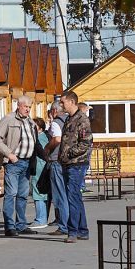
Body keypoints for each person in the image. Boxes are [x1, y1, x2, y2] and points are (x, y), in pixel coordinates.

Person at [0, 95, 39, 237]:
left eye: (30, 107)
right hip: (13, 163)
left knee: (23, 195)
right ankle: (9, 226)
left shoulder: (30, 121)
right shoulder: (9, 119)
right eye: (25, 107)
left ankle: (21, 225)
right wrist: (9, 154)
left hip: (27, 162)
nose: (28, 110)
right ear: (19, 106)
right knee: (11, 194)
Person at [59, 90, 93, 244]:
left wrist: (69, 153)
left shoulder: (82, 119)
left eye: (63, 102)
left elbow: (85, 143)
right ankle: (83, 230)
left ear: (71, 102)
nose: (61, 105)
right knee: (75, 197)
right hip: (68, 163)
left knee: (72, 196)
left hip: (77, 163)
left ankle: (72, 231)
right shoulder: (69, 119)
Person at [44, 101, 69, 235]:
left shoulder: (56, 122)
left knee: (59, 195)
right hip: (68, 160)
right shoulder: (70, 121)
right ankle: (70, 224)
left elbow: (57, 139)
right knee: (68, 194)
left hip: (56, 160)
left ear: (54, 111)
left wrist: (47, 148)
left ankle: (63, 225)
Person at [29, 117, 50, 229]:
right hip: (41, 166)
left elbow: (43, 153)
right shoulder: (44, 137)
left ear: (40, 128)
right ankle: (42, 217)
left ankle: (41, 219)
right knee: (41, 193)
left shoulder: (40, 138)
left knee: (38, 193)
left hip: (39, 167)